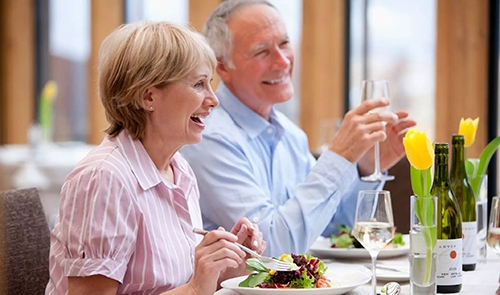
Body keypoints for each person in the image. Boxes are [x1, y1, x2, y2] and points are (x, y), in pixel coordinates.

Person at [45, 21, 265, 295]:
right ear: (149, 97)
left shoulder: (179, 170)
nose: (213, 100)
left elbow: (175, 285)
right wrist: (196, 288)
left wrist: (227, 266)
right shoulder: (104, 178)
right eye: (199, 84)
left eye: (210, 84)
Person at [180, 0, 416, 256]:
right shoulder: (209, 138)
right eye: (261, 51)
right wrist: (339, 157)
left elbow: (331, 228)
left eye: (284, 43)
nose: (282, 62)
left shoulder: (291, 135)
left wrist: (366, 166)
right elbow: (271, 248)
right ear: (222, 66)